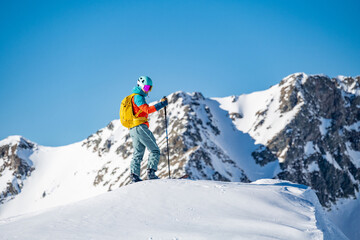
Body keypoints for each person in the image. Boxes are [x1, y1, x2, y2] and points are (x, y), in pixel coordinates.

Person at [129, 76, 168, 183]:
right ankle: (151, 173)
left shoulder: (133, 97)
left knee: (138, 152)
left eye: (149, 88)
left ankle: (134, 176)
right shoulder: (138, 97)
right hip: (140, 126)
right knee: (154, 150)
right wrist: (162, 104)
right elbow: (147, 110)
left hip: (133, 128)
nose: (148, 90)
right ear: (141, 85)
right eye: (146, 87)